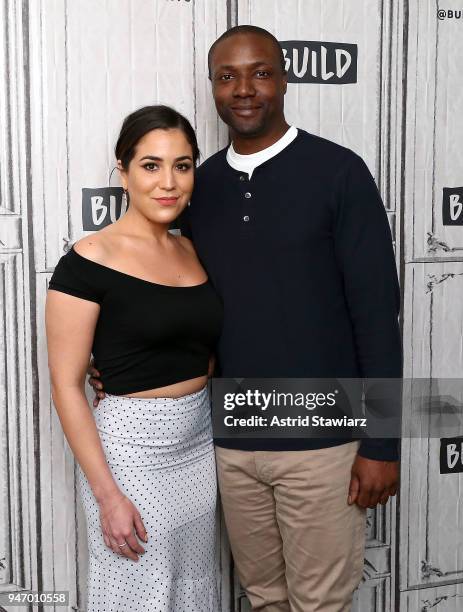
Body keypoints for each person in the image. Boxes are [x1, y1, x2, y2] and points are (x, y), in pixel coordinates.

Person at [90, 25, 402, 612]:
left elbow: (378, 318)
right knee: (263, 599)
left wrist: (383, 443)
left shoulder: (339, 173)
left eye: (260, 72)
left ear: (284, 79)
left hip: (323, 444)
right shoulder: (198, 186)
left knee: (322, 604)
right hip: (230, 444)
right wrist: (125, 368)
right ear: (212, 87)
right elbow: (173, 295)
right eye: (227, 76)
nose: (244, 88)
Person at [46, 105, 223, 612]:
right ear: (122, 172)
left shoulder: (193, 249)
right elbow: (65, 386)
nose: (168, 182)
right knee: (139, 596)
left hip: (198, 442)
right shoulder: (88, 262)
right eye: (150, 165)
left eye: (182, 165)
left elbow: (198, 344)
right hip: (131, 454)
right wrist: (107, 496)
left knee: (192, 592)